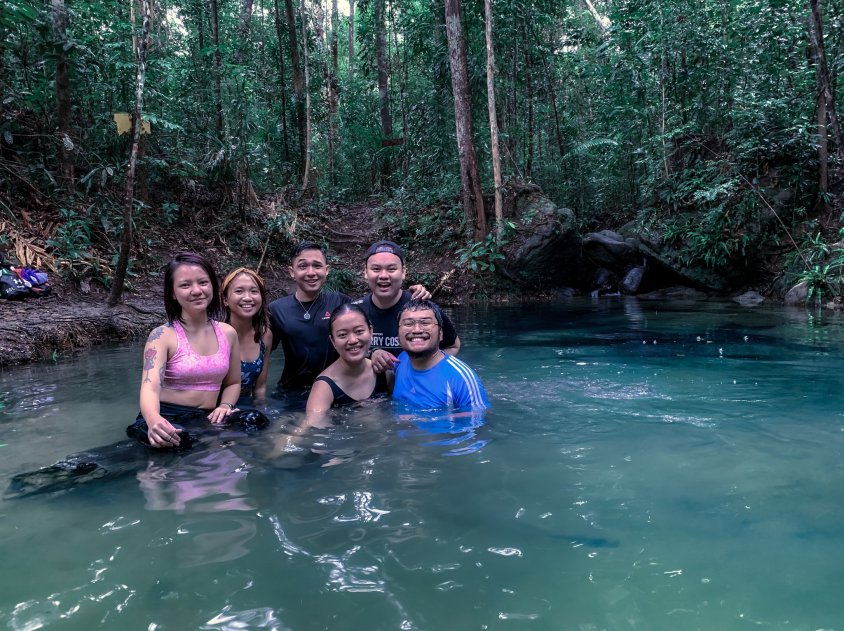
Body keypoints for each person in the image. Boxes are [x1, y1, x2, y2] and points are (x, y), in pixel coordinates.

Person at [268, 241, 431, 393]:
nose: (311, 272)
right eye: (303, 266)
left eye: (317, 265)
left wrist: (411, 294)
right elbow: (261, 352)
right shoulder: (277, 309)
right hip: (291, 391)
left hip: (338, 387)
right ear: (292, 272)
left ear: (326, 270)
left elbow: (365, 324)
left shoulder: (340, 301)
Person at [131, 252, 242, 448]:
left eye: (203, 282)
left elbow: (233, 383)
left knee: (255, 421)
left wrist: (225, 406)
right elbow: (150, 387)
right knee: (180, 440)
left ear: (213, 286)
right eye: (185, 285)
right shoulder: (162, 336)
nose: (197, 290)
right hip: (167, 414)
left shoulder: (228, 333)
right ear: (173, 293)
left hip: (207, 417)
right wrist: (154, 420)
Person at [353, 240, 460, 374]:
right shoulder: (355, 312)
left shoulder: (420, 305)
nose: (384, 276)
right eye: (376, 269)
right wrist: (371, 355)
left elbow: (453, 346)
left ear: (403, 272)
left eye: (391, 269)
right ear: (365, 272)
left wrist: (419, 371)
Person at [392, 299, 489, 411]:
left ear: (441, 334)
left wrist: (420, 420)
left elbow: (480, 419)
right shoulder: (400, 361)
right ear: (398, 335)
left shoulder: (461, 378)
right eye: (408, 324)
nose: (416, 330)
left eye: (425, 323)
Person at [306, 303, 390, 419]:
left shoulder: (385, 371)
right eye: (342, 335)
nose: (352, 340)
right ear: (333, 341)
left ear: (371, 331)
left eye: (359, 331)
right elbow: (313, 426)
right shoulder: (324, 387)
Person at [222, 267, 273, 404]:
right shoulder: (215, 334)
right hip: (215, 408)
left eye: (254, 291)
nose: (247, 298)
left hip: (246, 407)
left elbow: (260, 388)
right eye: (239, 291)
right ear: (225, 300)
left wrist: (264, 412)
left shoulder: (265, 335)